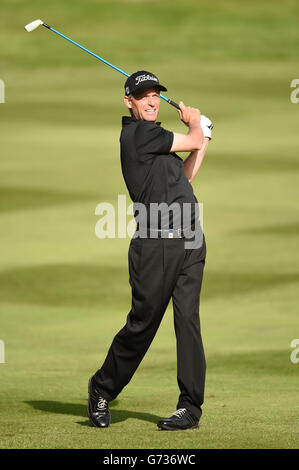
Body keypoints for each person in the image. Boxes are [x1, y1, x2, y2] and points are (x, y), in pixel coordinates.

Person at [87, 71, 212, 430]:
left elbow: (184, 176)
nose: (153, 101)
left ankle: (190, 407)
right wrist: (196, 125)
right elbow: (190, 139)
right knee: (143, 324)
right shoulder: (138, 135)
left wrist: (203, 139)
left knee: (188, 320)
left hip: (190, 239)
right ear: (129, 102)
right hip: (156, 244)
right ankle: (101, 388)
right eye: (144, 96)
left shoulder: (156, 139)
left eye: (156, 94)